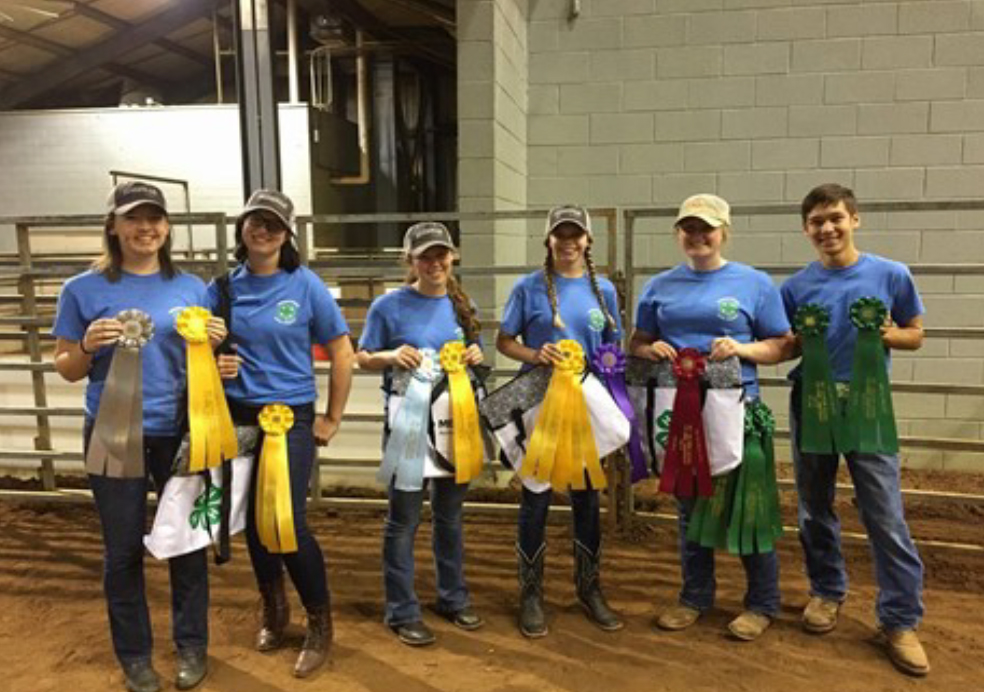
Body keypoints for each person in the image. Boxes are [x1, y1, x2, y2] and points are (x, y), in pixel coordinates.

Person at [53, 181, 234, 692]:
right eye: (134, 219)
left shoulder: (195, 289)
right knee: (123, 549)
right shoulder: (82, 290)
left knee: (186, 543)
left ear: (168, 227)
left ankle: (191, 645)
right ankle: (135, 655)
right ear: (113, 226)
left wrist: (219, 359)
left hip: (181, 429)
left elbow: (204, 368)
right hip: (112, 433)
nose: (146, 228)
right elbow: (66, 367)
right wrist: (86, 345)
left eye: (155, 218)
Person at [628, 193, 793, 642]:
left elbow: (781, 343)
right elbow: (637, 343)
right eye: (689, 228)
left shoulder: (754, 283)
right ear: (678, 234)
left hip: (738, 409)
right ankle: (695, 595)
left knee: (748, 507)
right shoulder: (660, 286)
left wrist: (740, 348)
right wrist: (651, 349)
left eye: (707, 228)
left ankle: (762, 602)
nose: (697, 236)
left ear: (724, 232)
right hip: (680, 412)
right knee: (688, 507)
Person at [781, 183, 929, 676]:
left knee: (884, 514)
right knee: (813, 507)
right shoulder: (796, 286)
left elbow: (915, 334)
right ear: (806, 230)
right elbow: (787, 345)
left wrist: (887, 334)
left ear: (854, 220)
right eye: (817, 222)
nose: (827, 229)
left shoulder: (891, 274)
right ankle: (826, 592)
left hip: (867, 407)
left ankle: (900, 619)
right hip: (812, 404)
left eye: (835, 219)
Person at [210, 189, 354, 678]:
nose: (263, 230)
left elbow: (341, 350)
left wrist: (332, 416)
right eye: (255, 221)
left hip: (289, 416)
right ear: (242, 228)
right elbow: (202, 350)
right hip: (239, 415)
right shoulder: (222, 289)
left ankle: (319, 620)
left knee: (287, 521)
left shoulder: (305, 285)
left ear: (287, 234)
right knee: (252, 521)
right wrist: (216, 362)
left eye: (273, 223)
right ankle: (274, 608)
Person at [495, 204, 623, 638]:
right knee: (537, 494)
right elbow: (505, 341)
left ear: (588, 241)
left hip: (584, 401)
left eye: (576, 235)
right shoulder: (528, 288)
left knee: (587, 493)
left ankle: (589, 587)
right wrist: (536, 354)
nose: (568, 242)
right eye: (560, 234)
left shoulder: (603, 289)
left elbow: (612, 348)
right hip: (538, 400)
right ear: (548, 240)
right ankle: (531, 593)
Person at [356, 222, 485, 647]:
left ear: (453, 257)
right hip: (408, 421)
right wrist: (389, 355)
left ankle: (453, 596)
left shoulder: (462, 304)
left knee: (449, 516)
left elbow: (473, 360)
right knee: (404, 519)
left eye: (441, 255)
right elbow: (362, 357)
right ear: (410, 261)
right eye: (425, 256)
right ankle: (402, 609)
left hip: (454, 422)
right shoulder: (388, 306)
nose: (434, 263)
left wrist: (475, 355)